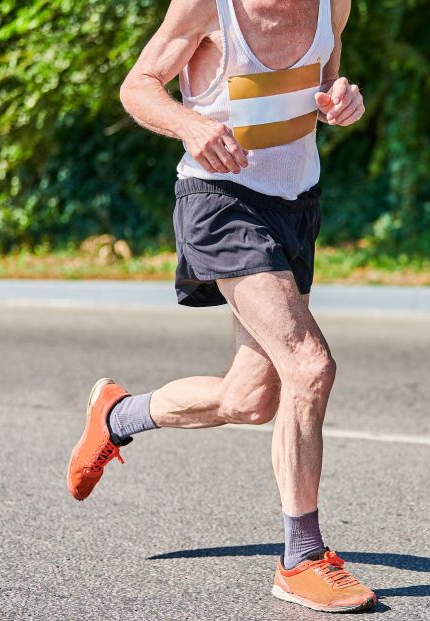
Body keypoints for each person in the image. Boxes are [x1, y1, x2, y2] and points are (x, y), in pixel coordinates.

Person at [65, 0, 375, 612]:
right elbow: (139, 86)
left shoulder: (332, 4)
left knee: (250, 399)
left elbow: (325, 84)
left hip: (296, 202)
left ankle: (118, 417)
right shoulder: (210, 6)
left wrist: (341, 101)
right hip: (221, 199)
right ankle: (303, 557)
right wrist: (191, 125)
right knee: (309, 366)